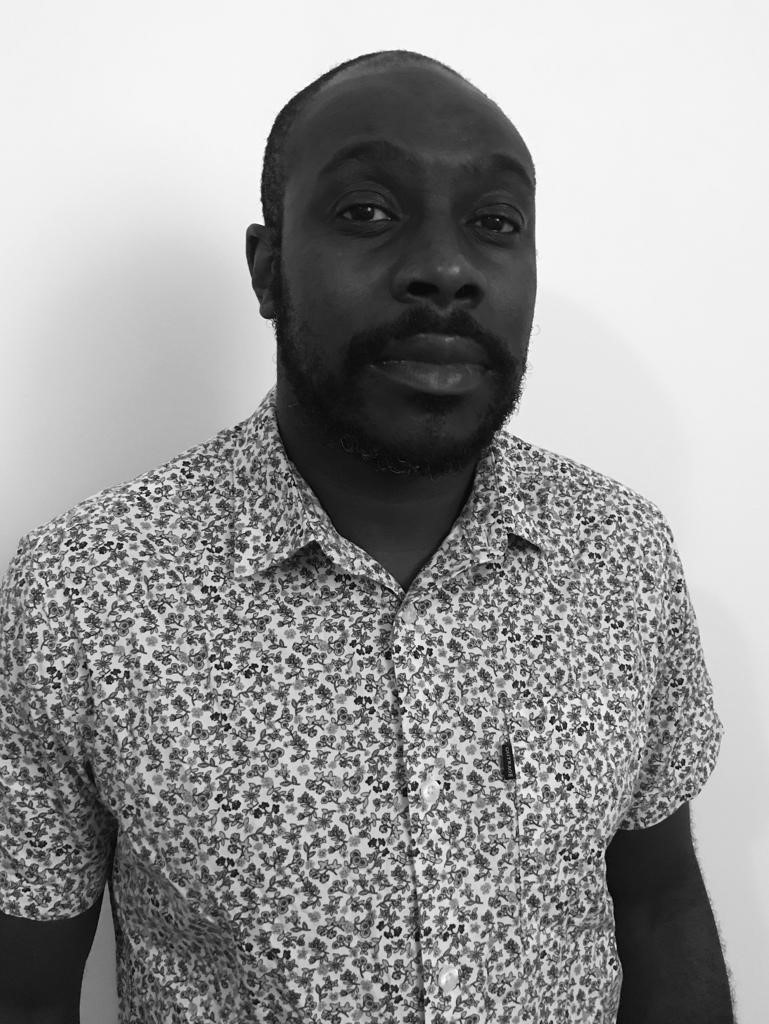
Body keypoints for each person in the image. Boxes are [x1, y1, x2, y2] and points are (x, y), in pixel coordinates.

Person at [0, 48, 734, 1024]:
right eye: (366, 212)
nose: (446, 268)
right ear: (267, 269)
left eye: (494, 223)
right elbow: (26, 992)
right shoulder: (85, 589)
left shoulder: (621, 555)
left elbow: (658, 903)